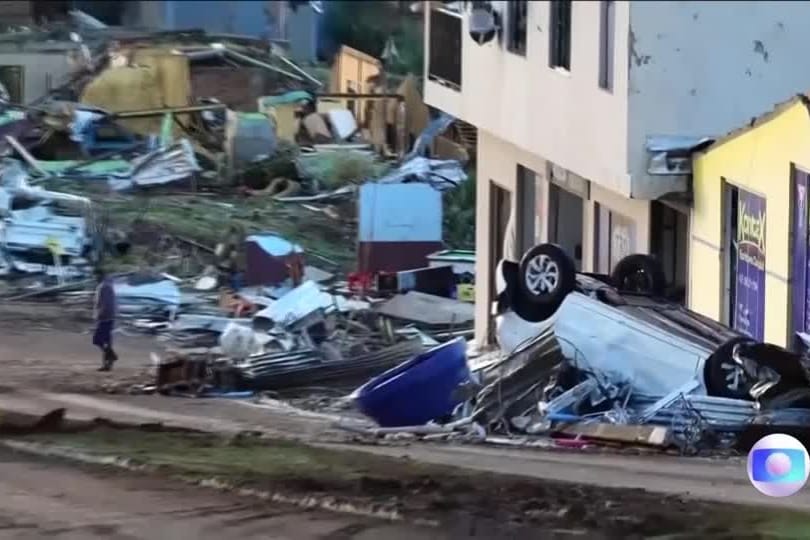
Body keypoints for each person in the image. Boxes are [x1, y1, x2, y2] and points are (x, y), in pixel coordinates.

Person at [92, 267, 118, 372]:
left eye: (95, 275)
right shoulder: (105, 285)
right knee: (106, 340)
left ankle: (111, 356)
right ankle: (108, 364)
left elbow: (106, 303)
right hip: (107, 316)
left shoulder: (105, 287)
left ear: (100, 275)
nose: (94, 277)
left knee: (97, 339)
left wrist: (100, 315)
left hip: (105, 317)